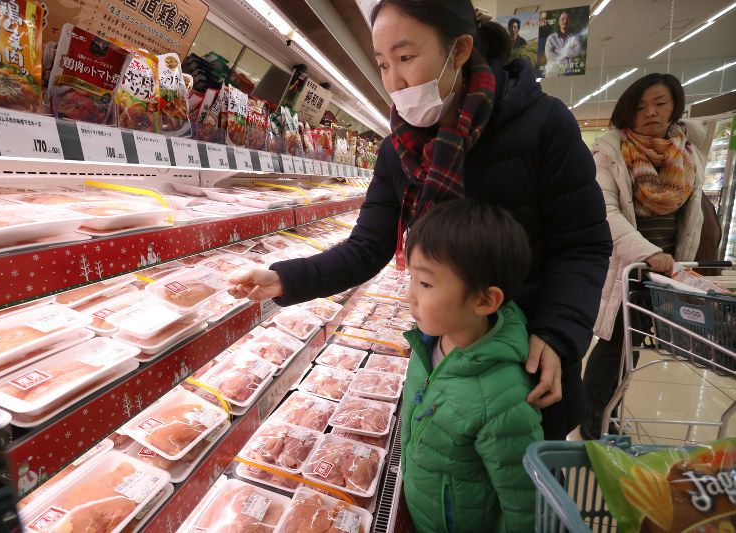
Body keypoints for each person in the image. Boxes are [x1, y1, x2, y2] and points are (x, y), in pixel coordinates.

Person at [229, 0, 612, 441]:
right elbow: (366, 248)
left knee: (515, 476)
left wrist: (558, 333)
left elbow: (582, 243)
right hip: (443, 359)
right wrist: (282, 278)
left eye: (406, 57)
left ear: (460, 49)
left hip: (524, 367)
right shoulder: (398, 150)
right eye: (383, 64)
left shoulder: (543, 123)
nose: (394, 81)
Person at [401, 198, 542, 533]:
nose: (410, 295)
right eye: (411, 278)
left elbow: (524, 506)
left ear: (484, 300)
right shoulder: (433, 341)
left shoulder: (503, 401)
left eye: (425, 283)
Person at [581, 73, 707, 440]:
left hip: (667, 271)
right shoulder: (610, 152)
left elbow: (692, 219)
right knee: (612, 348)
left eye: (660, 103)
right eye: (640, 107)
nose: (650, 112)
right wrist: (648, 252)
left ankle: (608, 417)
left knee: (632, 351)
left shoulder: (688, 154)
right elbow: (605, 213)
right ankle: (593, 425)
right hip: (626, 267)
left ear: (675, 106)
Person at [544, 11, 582, 76]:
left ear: (571, 22)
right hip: (551, 75)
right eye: (562, 19)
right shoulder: (551, 38)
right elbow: (548, 55)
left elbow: (576, 52)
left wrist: (558, 51)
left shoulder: (576, 37)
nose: (565, 21)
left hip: (568, 75)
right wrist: (568, 53)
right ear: (559, 22)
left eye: (567, 19)